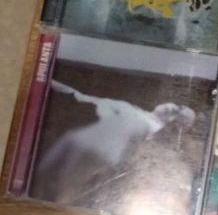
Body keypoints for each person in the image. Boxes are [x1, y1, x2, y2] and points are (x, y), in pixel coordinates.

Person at [32, 80, 195, 204]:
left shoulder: (154, 131)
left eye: (177, 115)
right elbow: (79, 96)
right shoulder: (130, 108)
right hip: (75, 139)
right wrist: (44, 79)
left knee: (63, 191)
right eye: (178, 107)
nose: (172, 109)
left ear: (176, 126)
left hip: (99, 154)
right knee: (39, 177)